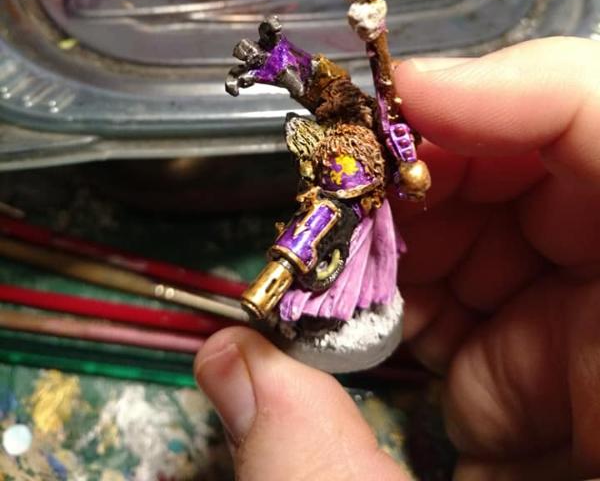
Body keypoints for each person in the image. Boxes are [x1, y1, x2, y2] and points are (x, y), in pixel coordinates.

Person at [195, 36, 600, 481]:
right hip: (333, 202)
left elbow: (370, 176)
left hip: (356, 216)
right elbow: (324, 89)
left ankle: (327, 309)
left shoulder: (378, 147)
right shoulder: (352, 115)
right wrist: (277, 63)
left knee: (347, 276)